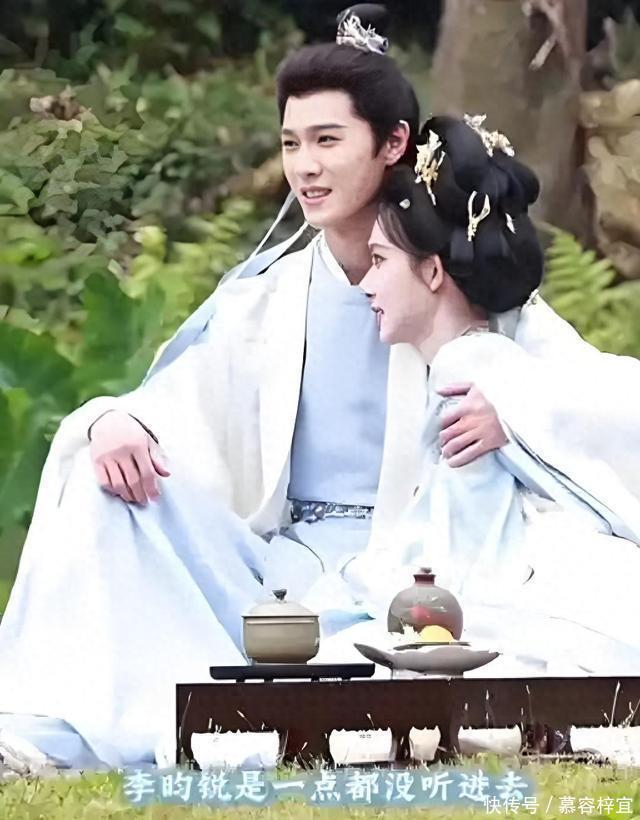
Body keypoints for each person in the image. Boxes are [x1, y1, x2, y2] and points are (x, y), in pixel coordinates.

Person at [0, 6, 508, 771]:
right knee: (100, 467)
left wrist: (516, 412)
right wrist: (116, 422)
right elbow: (180, 402)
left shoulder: (463, 272)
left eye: (328, 141)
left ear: (393, 143)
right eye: (291, 143)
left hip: (424, 561)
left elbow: (574, 388)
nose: (305, 166)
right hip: (280, 563)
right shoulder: (270, 298)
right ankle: (55, 723)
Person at [310, 115, 640, 676]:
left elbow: (467, 556)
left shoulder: (471, 365)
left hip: (520, 591)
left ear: (433, 272)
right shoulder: (466, 356)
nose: (365, 283)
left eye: (380, 261)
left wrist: (515, 408)